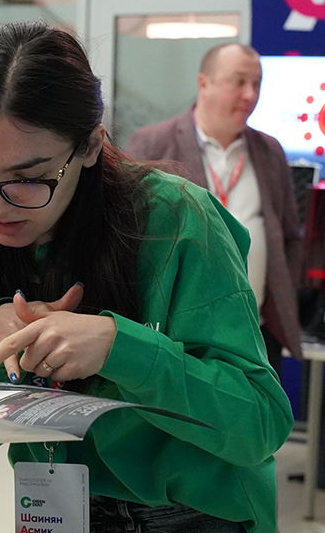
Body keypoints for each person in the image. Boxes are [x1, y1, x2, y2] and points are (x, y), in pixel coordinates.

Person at [0, 22, 294, 533]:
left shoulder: (176, 220)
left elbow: (259, 424)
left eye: (28, 177)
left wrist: (120, 347)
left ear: (91, 146)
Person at [125, 42, 305, 374]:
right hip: (182, 338)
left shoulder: (269, 151)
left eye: (257, 84)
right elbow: (127, 239)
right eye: (239, 82)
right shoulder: (153, 144)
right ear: (203, 83)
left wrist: (282, 291)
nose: (250, 94)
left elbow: (290, 236)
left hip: (257, 331)